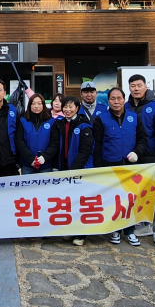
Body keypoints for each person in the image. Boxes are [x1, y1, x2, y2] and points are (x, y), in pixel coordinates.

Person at [93, 87, 148, 247]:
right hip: (110, 165)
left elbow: (143, 138)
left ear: (124, 100)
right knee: (114, 200)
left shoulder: (134, 117)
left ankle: (130, 231)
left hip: (130, 166)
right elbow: (97, 145)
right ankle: (115, 230)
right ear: (108, 101)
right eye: (112, 99)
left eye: (119, 98)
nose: (116, 102)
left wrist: (137, 152)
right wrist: (98, 167)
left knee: (130, 200)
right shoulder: (101, 119)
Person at [126, 74, 155, 248]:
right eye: (132, 86)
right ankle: (144, 224)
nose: (136, 89)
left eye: (139, 85)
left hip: (152, 156)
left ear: (146, 87)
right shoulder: (126, 106)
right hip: (133, 156)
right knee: (136, 192)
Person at [55, 97, 94, 246]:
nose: (67, 110)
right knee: (68, 202)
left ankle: (81, 234)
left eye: (71, 107)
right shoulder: (61, 123)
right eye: (65, 107)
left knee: (81, 202)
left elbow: (85, 151)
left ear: (77, 108)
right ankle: (70, 229)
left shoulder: (84, 125)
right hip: (64, 168)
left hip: (79, 170)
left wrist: (74, 170)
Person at [16, 93, 60, 174]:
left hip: (46, 164)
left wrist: (44, 157)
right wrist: (31, 159)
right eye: (33, 103)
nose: (36, 106)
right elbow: (19, 141)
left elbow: (55, 143)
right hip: (28, 164)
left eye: (39, 103)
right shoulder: (23, 121)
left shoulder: (51, 121)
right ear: (29, 105)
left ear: (43, 105)